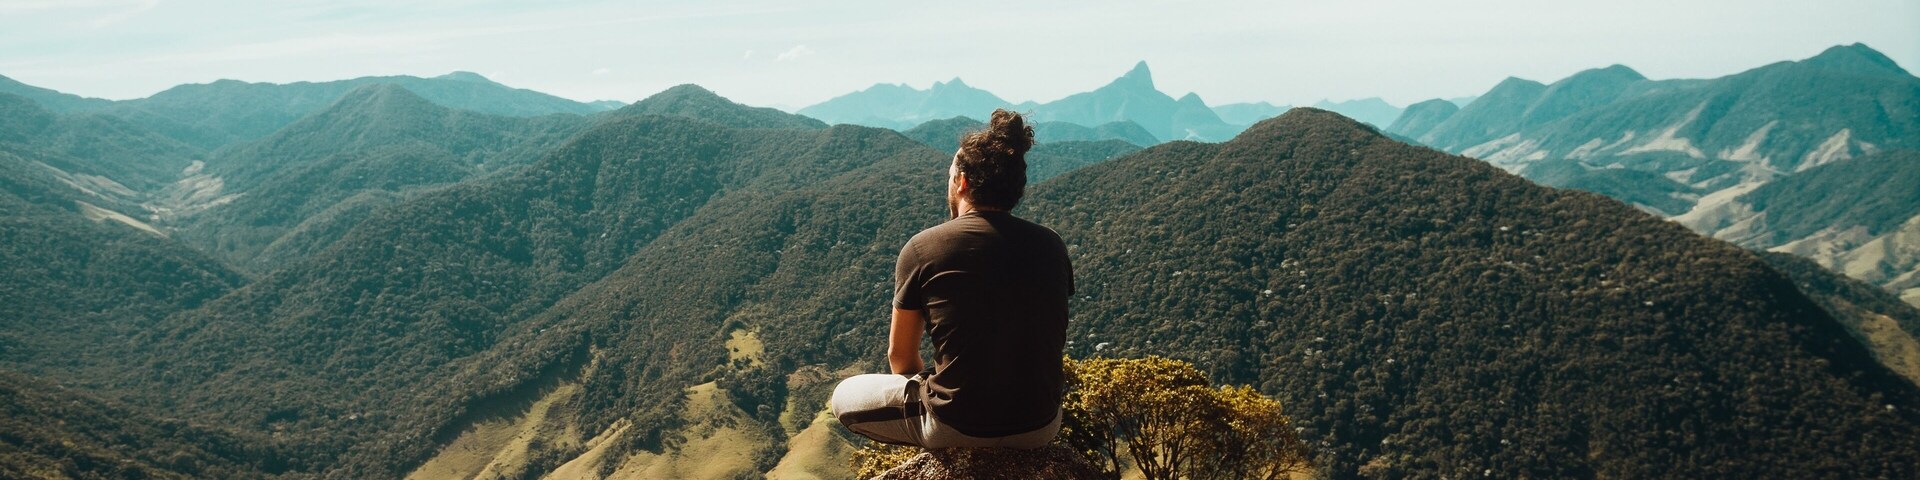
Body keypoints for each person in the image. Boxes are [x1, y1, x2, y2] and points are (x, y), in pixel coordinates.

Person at [829, 109, 1073, 448]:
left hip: (956, 425)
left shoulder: (923, 247)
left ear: (962, 182)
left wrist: (946, 385)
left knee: (843, 396)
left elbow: (900, 357)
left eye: (949, 176)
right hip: (1041, 426)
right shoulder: (1052, 245)